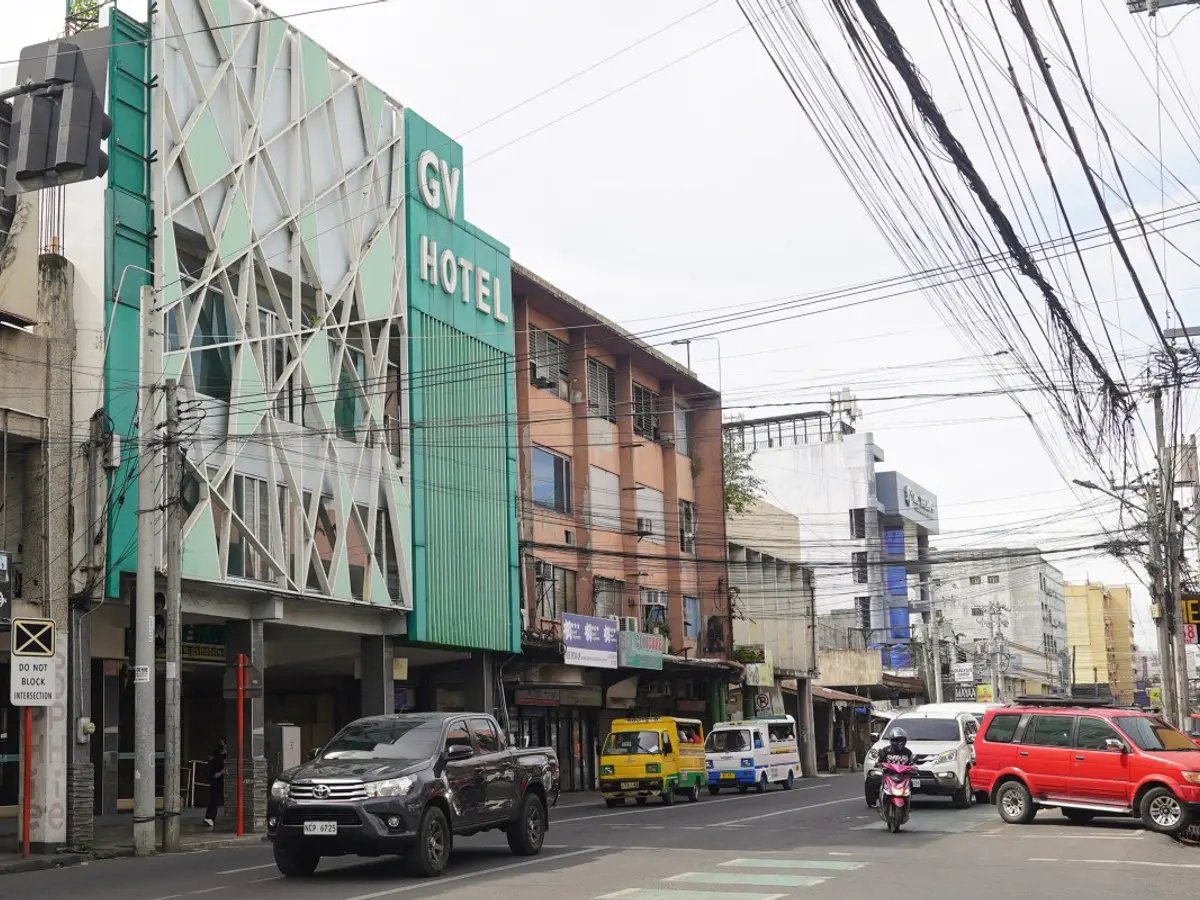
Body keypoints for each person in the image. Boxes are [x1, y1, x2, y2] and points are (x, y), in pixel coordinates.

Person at [203, 740, 227, 827]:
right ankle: (209, 817)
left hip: (219, 779)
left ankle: (209, 817)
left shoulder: (219, 755)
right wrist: (221, 772)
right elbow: (213, 771)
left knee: (214, 798)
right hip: (217, 779)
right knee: (214, 798)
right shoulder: (217, 756)